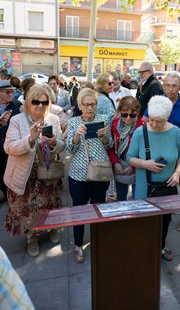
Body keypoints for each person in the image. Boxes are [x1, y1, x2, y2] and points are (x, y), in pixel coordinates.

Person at [4, 84, 65, 257]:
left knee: (49, 207)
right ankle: (31, 238)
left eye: (44, 102)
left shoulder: (53, 119)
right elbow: (8, 147)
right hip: (25, 176)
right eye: (36, 102)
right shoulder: (17, 120)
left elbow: (61, 145)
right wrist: (29, 139)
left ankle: (51, 228)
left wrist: (53, 142)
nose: (40, 105)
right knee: (27, 211)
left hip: (46, 174)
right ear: (29, 102)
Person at [127, 95, 180, 261]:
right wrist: (145, 164)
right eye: (151, 120)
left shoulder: (175, 132)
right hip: (144, 188)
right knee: (144, 221)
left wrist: (177, 172)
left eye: (158, 121)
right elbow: (129, 157)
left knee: (164, 221)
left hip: (167, 188)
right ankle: (143, 248)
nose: (153, 124)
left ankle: (160, 246)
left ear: (168, 117)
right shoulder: (141, 132)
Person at [143, 72, 180, 236]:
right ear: (163, 86)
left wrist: (179, 146)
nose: (170, 89)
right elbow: (145, 122)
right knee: (159, 180)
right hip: (158, 148)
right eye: (167, 85)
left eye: (174, 85)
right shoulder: (157, 102)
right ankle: (159, 211)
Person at [66, 88, 113, 263]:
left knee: (98, 207)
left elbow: (110, 146)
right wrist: (78, 135)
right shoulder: (73, 122)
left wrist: (104, 137)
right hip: (78, 173)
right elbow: (70, 149)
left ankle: (98, 240)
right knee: (79, 210)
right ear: (79, 105)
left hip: (100, 172)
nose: (90, 108)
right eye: (86, 104)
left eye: (93, 104)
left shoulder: (104, 120)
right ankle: (78, 244)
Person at [108, 96, 144, 201]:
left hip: (137, 167)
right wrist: (115, 163)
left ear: (137, 113)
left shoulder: (142, 127)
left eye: (132, 115)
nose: (128, 118)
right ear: (120, 111)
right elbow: (110, 146)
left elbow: (144, 152)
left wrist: (133, 167)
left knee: (137, 199)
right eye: (124, 114)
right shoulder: (114, 124)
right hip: (119, 165)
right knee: (121, 198)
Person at [0, 80, 21, 204]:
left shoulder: (16, 105)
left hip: (11, 146)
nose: (11, 94)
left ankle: (11, 196)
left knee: (11, 174)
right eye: (7, 92)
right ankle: (6, 193)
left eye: (12, 92)